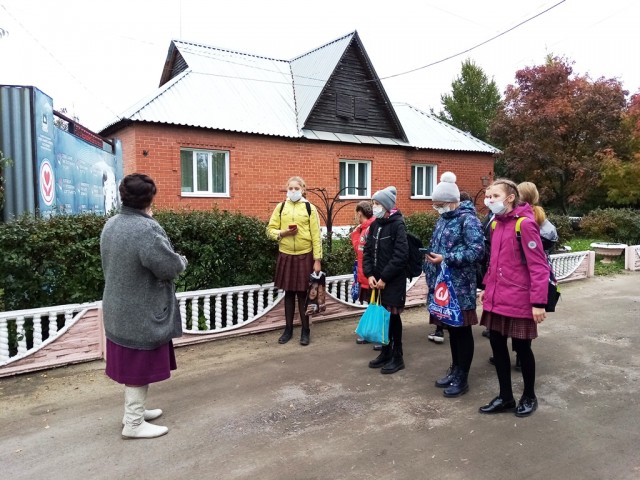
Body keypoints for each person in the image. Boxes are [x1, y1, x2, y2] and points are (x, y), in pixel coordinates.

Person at [100, 173, 188, 439]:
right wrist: (181, 260)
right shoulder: (146, 229)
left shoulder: (112, 223)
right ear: (150, 199)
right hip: (140, 312)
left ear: (123, 196)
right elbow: (168, 267)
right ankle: (134, 423)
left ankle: (134, 411)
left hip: (118, 308)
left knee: (133, 362)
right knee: (139, 364)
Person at [478, 178, 550, 417]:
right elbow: (494, 262)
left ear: (510, 198)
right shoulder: (496, 225)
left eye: (494, 196)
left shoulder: (525, 224)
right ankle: (505, 397)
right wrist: (487, 288)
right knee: (497, 347)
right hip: (497, 298)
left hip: (519, 299)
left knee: (522, 349)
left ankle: (529, 396)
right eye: (488, 196)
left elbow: (539, 266)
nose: (489, 201)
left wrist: (538, 302)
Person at [424, 175, 485, 397]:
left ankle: (463, 377)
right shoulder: (444, 219)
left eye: (440, 204)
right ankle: (454, 369)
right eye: (436, 205)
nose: (437, 208)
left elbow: (477, 252)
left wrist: (446, 258)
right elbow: (437, 245)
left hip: (460, 287)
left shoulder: (468, 220)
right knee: (452, 330)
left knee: (462, 331)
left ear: (452, 201)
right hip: (443, 287)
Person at [266, 176, 323, 346]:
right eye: (290, 188)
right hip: (286, 254)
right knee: (289, 294)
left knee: (303, 295)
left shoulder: (309, 208)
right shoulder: (281, 207)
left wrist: (317, 259)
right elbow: (270, 230)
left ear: (303, 190)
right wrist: (283, 233)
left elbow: (316, 236)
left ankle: (305, 330)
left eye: (296, 188)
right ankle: (288, 329)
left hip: (305, 254)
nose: (293, 191)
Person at [363, 186, 409, 374]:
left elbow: (400, 255)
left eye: (377, 204)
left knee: (393, 318)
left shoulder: (397, 225)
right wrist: (370, 275)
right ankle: (385, 352)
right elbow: (367, 251)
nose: (374, 207)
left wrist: (384, 277)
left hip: (393, 282)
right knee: (383, 318)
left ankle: (397, 357)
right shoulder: (375, 225)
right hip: (377, 281)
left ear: (387, 206)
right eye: (373, 203)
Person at [350, 200, 382, 350]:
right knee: (372, 305)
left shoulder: (371, 227)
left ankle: (380, 336)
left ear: (359, 213)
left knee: (378, 305)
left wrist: (355, 234)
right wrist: (356, 233)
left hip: (372, 275)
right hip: (366, 275)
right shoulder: (364, 228)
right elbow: (361, 250)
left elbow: (365, 251)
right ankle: (372, 333)